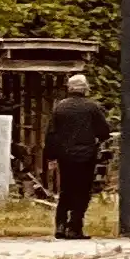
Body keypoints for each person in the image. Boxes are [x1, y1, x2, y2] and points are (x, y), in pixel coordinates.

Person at [40, 84, 109, 240]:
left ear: (70, 89)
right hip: (86, 156)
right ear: (85, 89)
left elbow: (51, 134)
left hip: (65, 156)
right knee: (82, 191)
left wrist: (51, 156)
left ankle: (60, 225)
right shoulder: (92, 107)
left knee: (66, 189)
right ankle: (74, 227)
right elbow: (104, 131)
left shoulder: (60, 108)